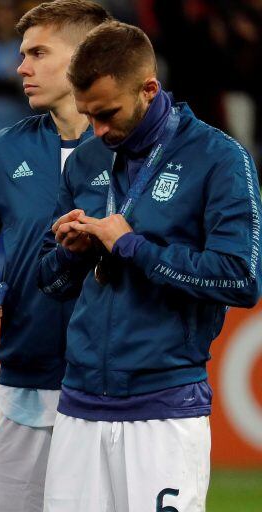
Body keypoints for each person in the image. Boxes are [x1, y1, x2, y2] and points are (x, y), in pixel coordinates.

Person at [38, 21, 262, 511]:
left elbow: (242, 278)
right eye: (87, 115)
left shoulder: (219, 159)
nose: (97, 130)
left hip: (163, 409)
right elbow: (50, 283)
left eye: (108, 113)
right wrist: (70, 256)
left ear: (149, 88)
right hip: (78, 406)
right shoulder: (86, 160)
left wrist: (133, 247)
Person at [0, 2, 110, 510]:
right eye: (22, 54)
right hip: (27, 381)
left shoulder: (142, 154)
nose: (21, 68)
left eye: (38, 53)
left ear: (84, 59)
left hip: (115, 386)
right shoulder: (3, 150)